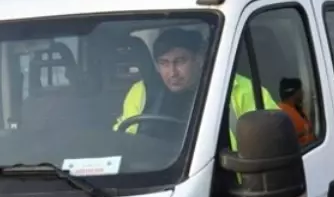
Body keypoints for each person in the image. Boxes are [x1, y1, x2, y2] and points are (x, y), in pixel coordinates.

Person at [114, 27, 275, 143]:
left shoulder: (240, 89)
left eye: (180, 61)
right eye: (164, 63)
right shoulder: (141, 91)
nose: (172, 72)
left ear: (198, 59)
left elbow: (274, 138)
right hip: (153, 176)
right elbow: (122, 138)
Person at [277, 78, 317, 147]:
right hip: (303, 153)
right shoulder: (281, 113)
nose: (303, 93)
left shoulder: (297, 110)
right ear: (295, 92)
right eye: (300, 90)